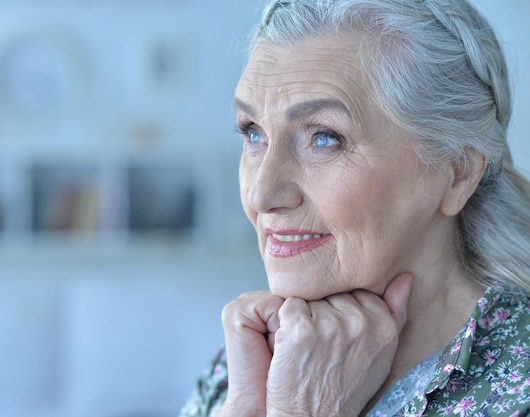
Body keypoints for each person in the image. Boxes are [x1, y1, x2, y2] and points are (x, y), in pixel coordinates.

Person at [179, 0, 530, 416]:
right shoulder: (248, 361)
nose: (261, 194)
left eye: (324, 137)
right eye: (253, 133)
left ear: (457, 173)